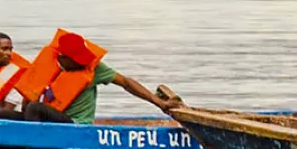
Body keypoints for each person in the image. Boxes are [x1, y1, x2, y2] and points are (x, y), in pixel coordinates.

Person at [22, 31, 182, 123]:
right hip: (51, 119)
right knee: (1, 115)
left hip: (76, 124)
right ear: (63, 58)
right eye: (77, 59)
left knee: (34, 108)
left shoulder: (94, 68)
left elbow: (126, 82)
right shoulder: (48, 65)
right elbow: (29, 95)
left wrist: (160, 102)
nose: (82, 63)